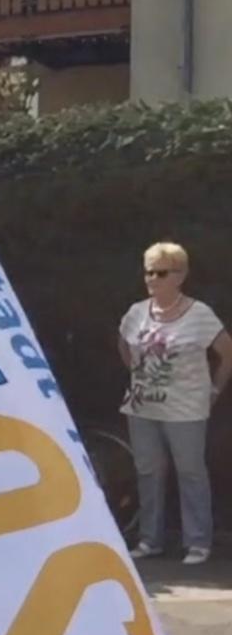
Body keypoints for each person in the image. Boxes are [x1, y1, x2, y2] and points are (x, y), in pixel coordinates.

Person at [119, 241, 232, 565]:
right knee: (148, 471)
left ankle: (198, 542)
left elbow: (227, 353)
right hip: (142, 407)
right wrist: (136, 373)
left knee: (190, 472)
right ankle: (149, 539)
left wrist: (213, 391)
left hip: (185, 409)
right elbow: (123, 342)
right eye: (148, 272)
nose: (153, 279)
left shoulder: (199, 314)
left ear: (179, 276)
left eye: (161, 273)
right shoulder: (137, 312)